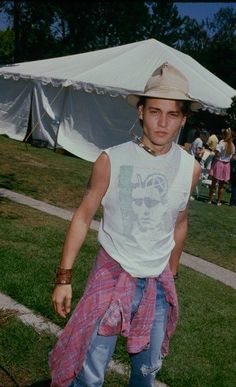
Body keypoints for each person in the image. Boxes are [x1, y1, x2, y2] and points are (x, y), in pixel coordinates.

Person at [49, 62, 201, 387]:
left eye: (172, 114)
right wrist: (64, 277)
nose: (162, 122)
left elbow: (180, 223)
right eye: (155, 111)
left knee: (146, 375)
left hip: (157, 285)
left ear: (184, 119)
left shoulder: (191, 168)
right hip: (111, 274)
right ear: (141, 112)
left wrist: (171, 276)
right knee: (88, 375)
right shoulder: (111, 159)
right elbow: (83, 216)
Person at [208, 127, 235, 206]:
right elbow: (232, 157)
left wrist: (214, 151)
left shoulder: (222, 142)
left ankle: (210, 200)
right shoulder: (233, 145)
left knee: (213, 183)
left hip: (219, 163)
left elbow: (217, 154)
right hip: (227, 165)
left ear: (225, 135)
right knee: (222, 185)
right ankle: (219, 202)